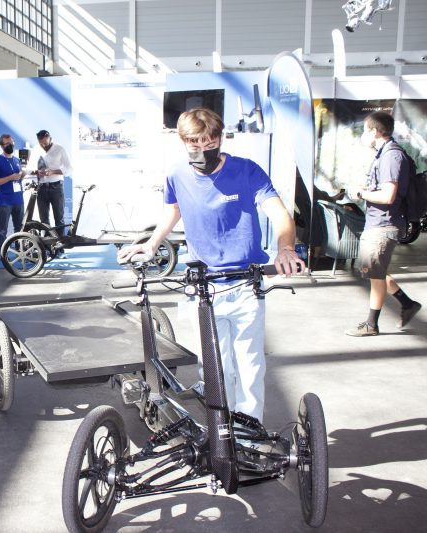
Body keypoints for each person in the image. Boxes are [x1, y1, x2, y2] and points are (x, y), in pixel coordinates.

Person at [119, 108, 304, 423]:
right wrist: (151, 243)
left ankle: (250, 433)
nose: (203, 151)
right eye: (195, 145)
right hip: (203, 288)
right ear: (184, 142)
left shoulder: (247, 172)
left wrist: (285, 248)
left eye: (209, 143)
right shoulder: (177, 174)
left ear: (220, 138)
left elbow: (279, 213)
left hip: (246, 285)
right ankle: (225, 432)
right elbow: (173, 210)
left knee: (250, 367)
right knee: (217, 369)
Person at [345, 111, 421, 336]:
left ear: (375, 131)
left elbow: (388, 196)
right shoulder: (385, 154)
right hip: (380, 222)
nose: (363, 136)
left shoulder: (390, 156)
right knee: (374, 271)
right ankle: (407, 304)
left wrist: (361, 193)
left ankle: (371, 324)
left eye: (365, 131)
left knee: (375, 275)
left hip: (383, 224)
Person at [26, 130, 72, 231]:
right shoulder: (36, 150)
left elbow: (69, 169)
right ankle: (47, 246)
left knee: (59, 219)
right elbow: (29, 170)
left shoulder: (60, 149)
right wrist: (37, 172)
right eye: (41, 143)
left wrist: (53, 172)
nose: (43, 146)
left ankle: (60, 246)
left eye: (45, 143)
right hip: (41, 188)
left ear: (50, 139)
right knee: (44, 221)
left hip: (56, 187)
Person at [0, 133, 26, 251]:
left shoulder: (17, 160)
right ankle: (2, 252)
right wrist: (10, 178)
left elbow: (18, 178)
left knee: (19, 228)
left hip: (18, 199)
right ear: (2, 146)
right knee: (2, 228)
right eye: (8, 143)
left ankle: (20, 250)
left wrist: (22, 175)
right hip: (4, 201)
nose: (11, 145)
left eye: (12, 143)